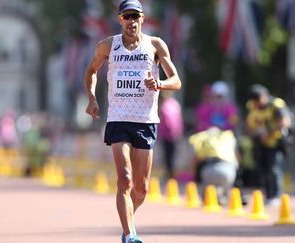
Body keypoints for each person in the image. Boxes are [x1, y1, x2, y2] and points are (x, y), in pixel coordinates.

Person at [83, 1, 182, 242]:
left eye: (135, 16)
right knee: (125, 180)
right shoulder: (107, 45)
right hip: (118, 119)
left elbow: (176, 81)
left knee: (142, 189)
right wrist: (92, 98)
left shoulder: (155, 45)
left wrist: (159, 84)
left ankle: (128, 220)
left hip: (146, 121)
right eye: (127, 17)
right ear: (120, 20)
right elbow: (91, 71)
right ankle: (129, 235)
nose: (131, 21)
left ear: (143, 18)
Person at [245, 84, 292, 206]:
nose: (257, 103)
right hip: (260, 144)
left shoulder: (276, 105)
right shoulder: (252, 107)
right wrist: (257, 133)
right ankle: (268, 195)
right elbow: (249, 126)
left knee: (274, 169)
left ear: (265, 96)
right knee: (263, 170)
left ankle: (276, 195)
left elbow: (284, 122)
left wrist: (269, 133)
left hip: (275, 142)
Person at [188, 127, 239, 205]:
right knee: (226, 190)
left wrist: (194, 175)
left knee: (206, 196)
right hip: (228, 171)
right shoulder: (228, 137)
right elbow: (237, 156)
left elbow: (196, 159)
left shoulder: (205, 139)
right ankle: (225, 197)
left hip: (209, 170)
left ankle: (208, 199)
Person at [158, 91, 183, 179]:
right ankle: (170, 173)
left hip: (171, 134)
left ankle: (171, 173)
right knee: (169, 155)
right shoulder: (171, 104)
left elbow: (174, 119)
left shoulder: (169, 105)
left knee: (171, 155)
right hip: (169, 135)